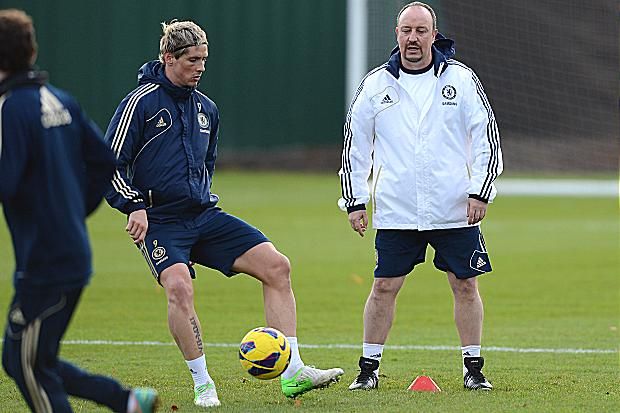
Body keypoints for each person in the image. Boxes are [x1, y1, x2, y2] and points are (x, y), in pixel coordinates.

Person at [104, 19, 343, 408]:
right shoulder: (141, 102)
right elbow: (107, 164)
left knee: (277, 266)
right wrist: (133, 205)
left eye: (204, 60)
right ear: (168, 58)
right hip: (161, 221)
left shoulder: (207, 109)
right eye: (192, 60)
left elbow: (206, 164)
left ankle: (294, 371)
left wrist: (197, 195)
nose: (200, 67)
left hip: (203, 216)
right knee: (180, 288)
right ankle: (203, 383)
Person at [0, 9, 159, 413]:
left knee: (25, 362)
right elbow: (104, 161)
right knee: (32, 358)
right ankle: (123, 400)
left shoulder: (10, 110)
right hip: (68, 250)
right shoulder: (61, 99)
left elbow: (8, 181)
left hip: (45, 262)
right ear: (31, 50)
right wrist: (76, 209)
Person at [339, 1, 503, 391]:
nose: (413, 38)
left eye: (420, 31)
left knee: (465, 285)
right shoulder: (376, 85)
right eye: (406, 31)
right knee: (383, 287)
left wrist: (481, 191)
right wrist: (356, 200)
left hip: (454, 208)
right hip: (397, 209)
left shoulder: (461, 80)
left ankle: (473, 369)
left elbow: (486, 139)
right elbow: (355, 147)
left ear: (434, 34)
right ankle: (368, 370)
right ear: (396, 34)